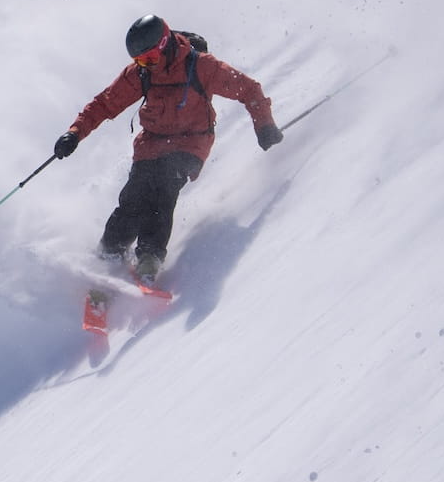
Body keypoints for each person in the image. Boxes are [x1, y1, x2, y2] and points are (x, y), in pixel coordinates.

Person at [52, 14, 282, 284]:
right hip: (152, 143)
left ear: (164, 44)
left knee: (164, 185)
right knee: (134, 195)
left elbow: (249, 89)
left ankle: (149, 256)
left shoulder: (202, 66)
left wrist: (264, 125)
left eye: (149, 58)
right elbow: (104, 104)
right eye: (139, 61)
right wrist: (74, 133)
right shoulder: (141, 73)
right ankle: (109, 251)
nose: (145, 65)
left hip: (191, 142)